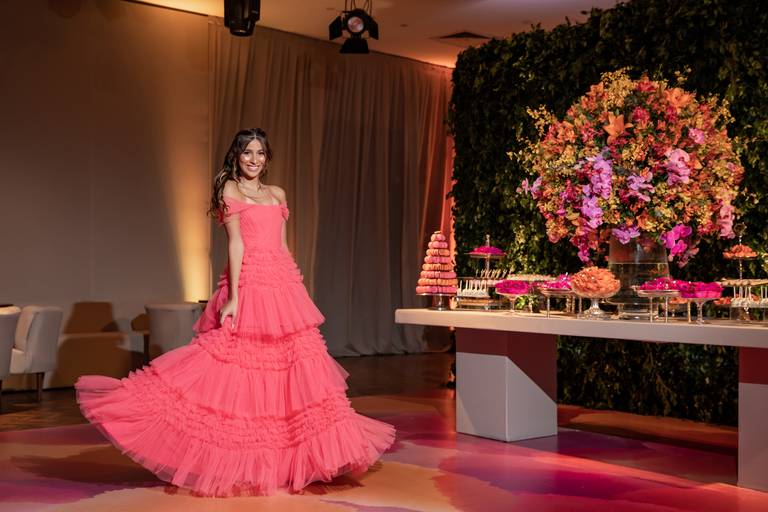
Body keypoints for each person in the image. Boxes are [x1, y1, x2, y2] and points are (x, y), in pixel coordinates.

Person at [75, 128, 395, 497]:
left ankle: (289, 459)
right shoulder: (230, 190)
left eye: (260, 153)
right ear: (236, 157)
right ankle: (219, 446)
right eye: (247, 153)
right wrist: (236, 296)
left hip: (281, 285)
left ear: (267, 157)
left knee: (291, 370)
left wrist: (294, 287)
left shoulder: (278, 194)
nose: (254, 159)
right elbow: (237, 244)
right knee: (234, 366)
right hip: (250, 282)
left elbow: (283, 246)